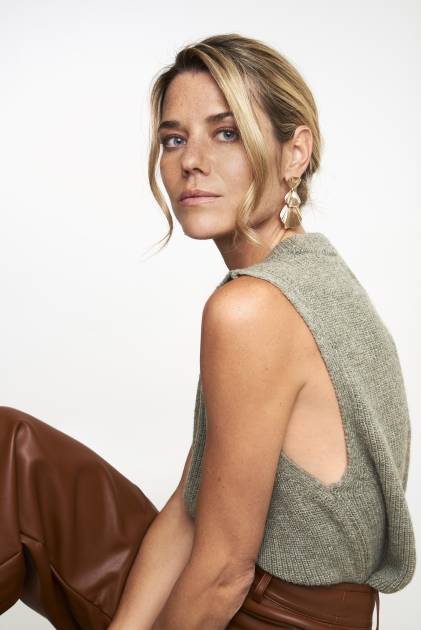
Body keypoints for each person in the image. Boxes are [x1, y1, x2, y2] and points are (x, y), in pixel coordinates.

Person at [0, 33, 416, 630]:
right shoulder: (315, 275)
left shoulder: (250, 309)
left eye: (226, 133)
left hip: (262, 616)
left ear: (295, 152)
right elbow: (191, 507)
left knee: (7, 458)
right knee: (14, 450)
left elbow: (223, 573)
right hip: (311, 612)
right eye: (174, 139)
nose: (191, 161)